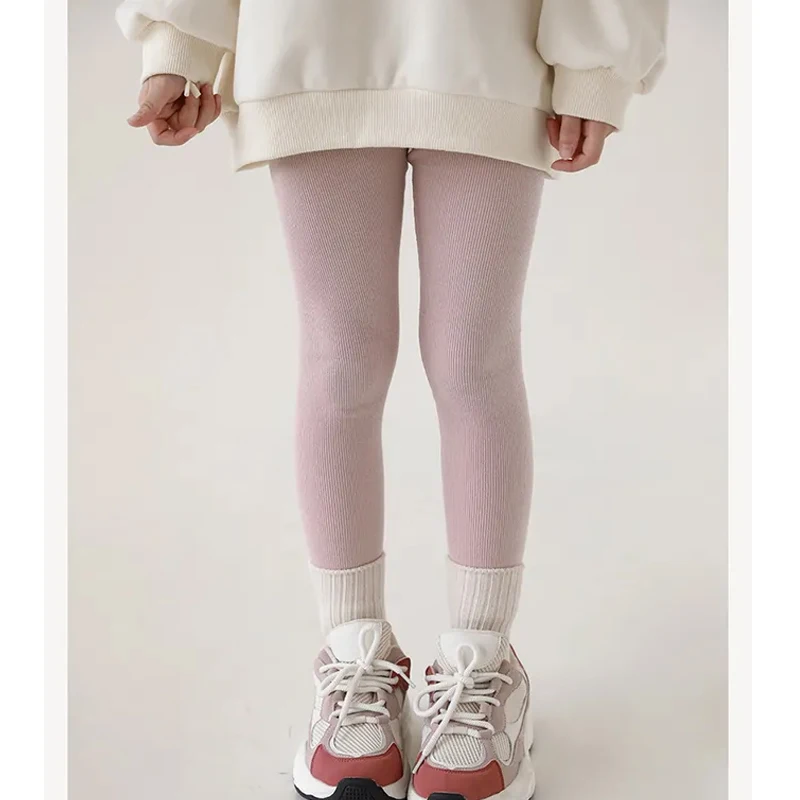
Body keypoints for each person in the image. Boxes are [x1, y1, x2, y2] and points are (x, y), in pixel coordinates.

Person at [117, 2, 668, 799]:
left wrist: (595, 62)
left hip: (491, 41)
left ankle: (482, 661)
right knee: (341, 360)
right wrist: (180, 41)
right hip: (312, 39)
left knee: (473, 359)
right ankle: (353, 653)